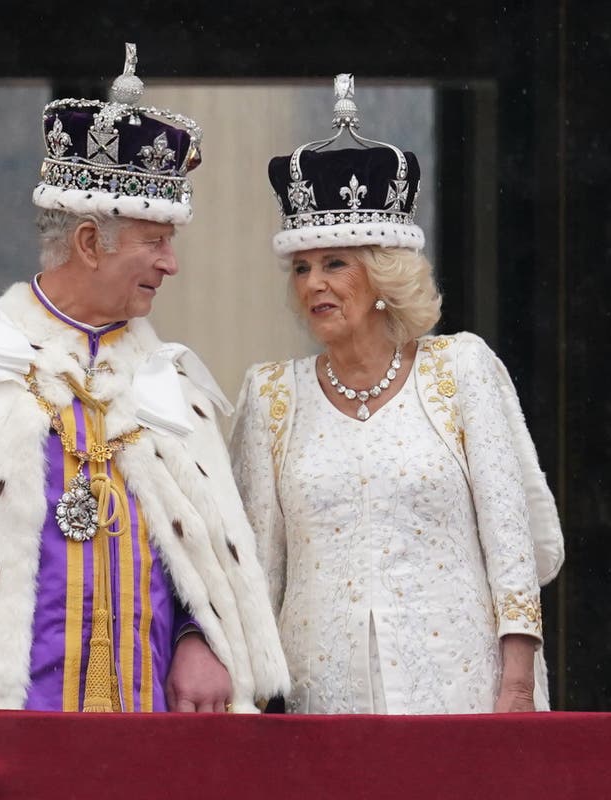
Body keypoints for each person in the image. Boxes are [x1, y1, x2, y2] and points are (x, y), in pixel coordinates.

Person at [0, 45, 287, 714]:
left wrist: (200, 636)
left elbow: (204, 561)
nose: (171, 264)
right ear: (87, 242)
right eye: (154, 241)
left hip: (150, 731)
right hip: (2, 732)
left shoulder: (173, 387)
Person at [230, 75, 563, 715]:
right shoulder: (272, 395)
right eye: (301, 267)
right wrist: (248, 704)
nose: (313, 284)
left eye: (335, 264)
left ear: (384, 272)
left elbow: (513, 541)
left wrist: (517, 683)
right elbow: (259, 570)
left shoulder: (460, 369)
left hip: (460, 688)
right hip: (322, 700)